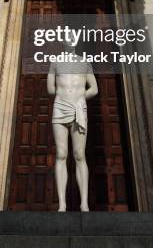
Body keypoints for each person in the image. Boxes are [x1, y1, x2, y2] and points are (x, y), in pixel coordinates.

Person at [47, 33, 98, 212]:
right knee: (61, 154)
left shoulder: (84, 62)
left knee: (79, 154)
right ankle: (62, 204)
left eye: (74, 36)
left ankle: (84, 203)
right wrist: (65, 96)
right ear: (64, 40)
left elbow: (94, 88)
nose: (71, 39)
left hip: (79, 108)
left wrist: (79, 97)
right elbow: (50, 88)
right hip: (60, 107)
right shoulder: (55, 62)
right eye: (68, 36)